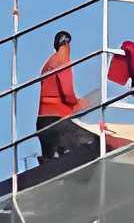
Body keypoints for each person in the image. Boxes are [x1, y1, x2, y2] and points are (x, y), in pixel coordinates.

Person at [36, 30, 99, 172]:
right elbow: (67, 94)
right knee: (93, 143)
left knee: (49, 168)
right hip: (57, 121)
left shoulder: (48, 64)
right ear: (67, 44)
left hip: (42, 122)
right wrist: (81, 103)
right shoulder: (63, 60)